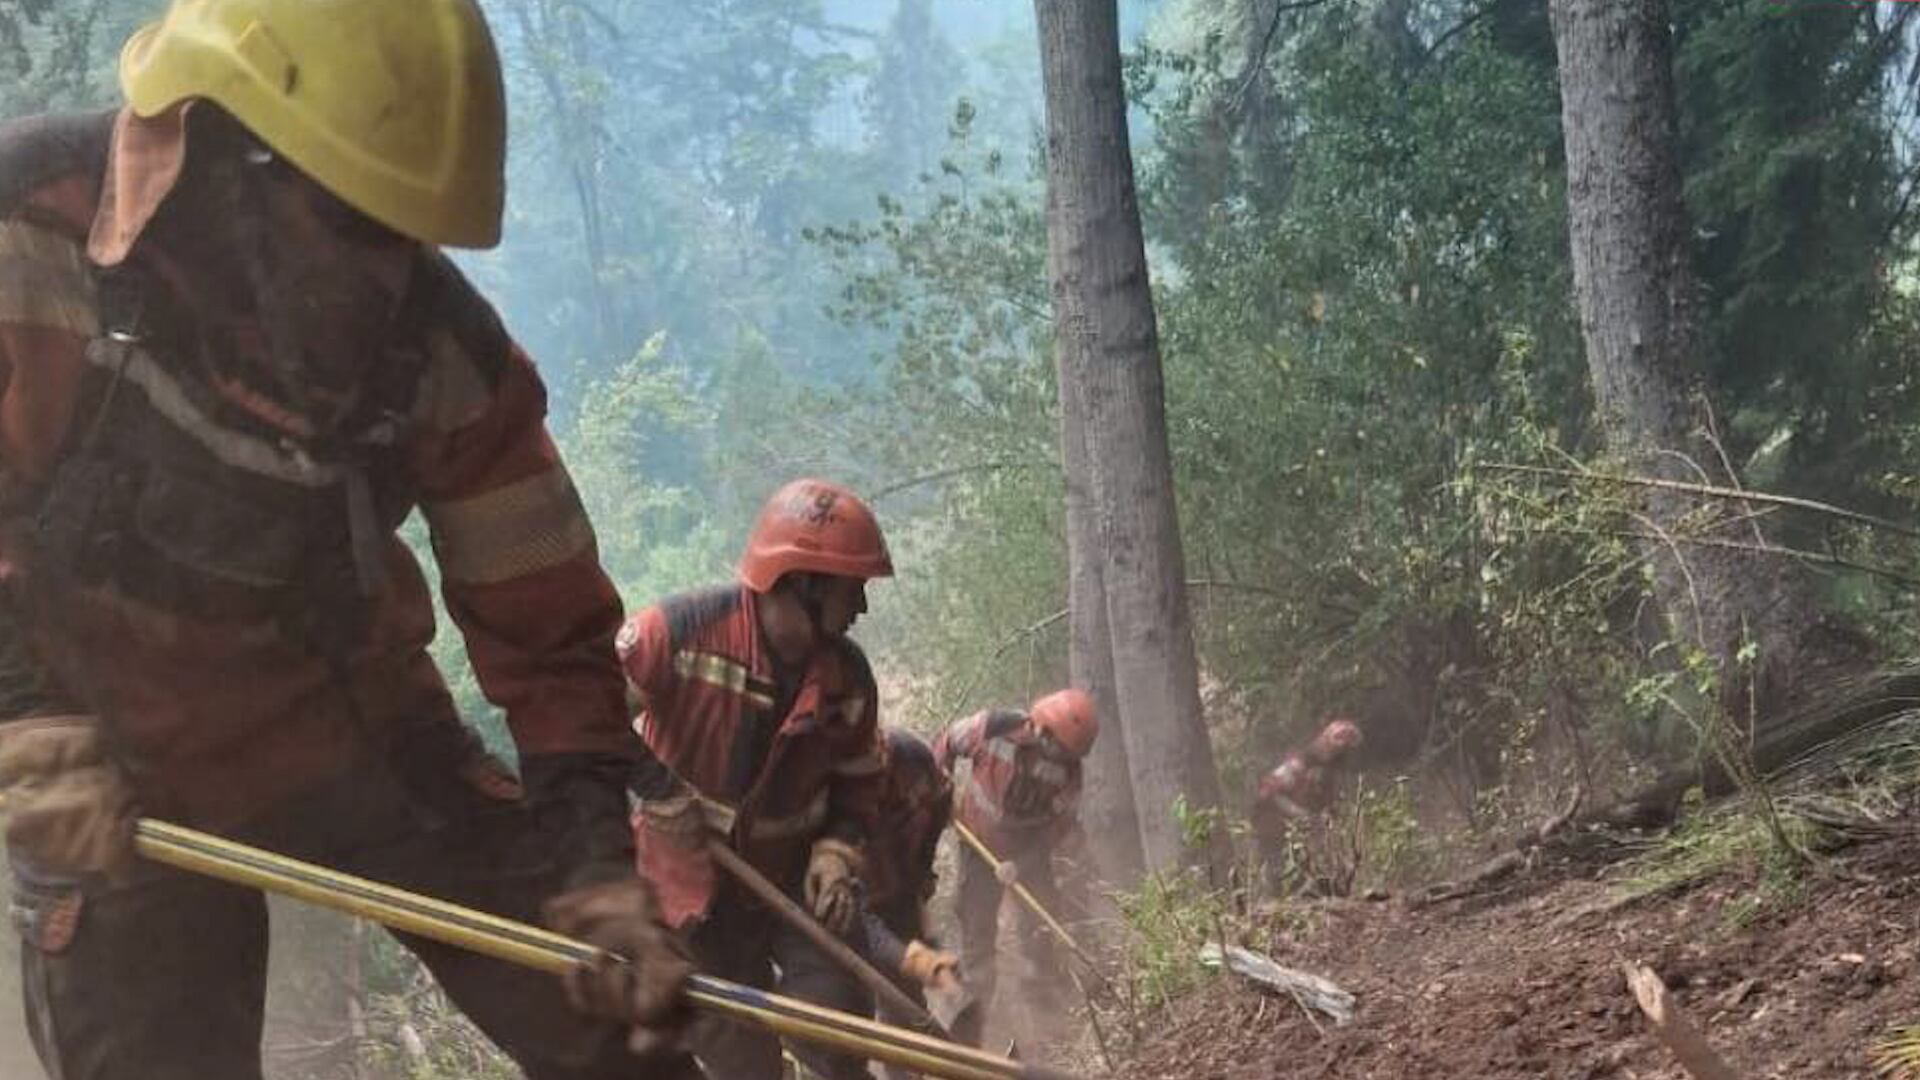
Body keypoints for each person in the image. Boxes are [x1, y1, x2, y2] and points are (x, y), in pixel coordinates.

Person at [0, 1, 701, 1076]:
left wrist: (595, 863)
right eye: (354, 224)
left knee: (614, 1019)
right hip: (103, 767)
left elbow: (551, 631)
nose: (387, 278)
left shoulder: (446, 355)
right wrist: (21, 712)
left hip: (353, 731)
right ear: (229, 148)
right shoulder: (27, 234)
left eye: (405, 234)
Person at [616, 478, 892, 1080]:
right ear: (804, 581)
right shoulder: (679, 631)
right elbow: (589, 711)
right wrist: (657, 789)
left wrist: (836, 851)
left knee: (838, 1026)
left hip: (794, 882)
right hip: (690, 897)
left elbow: (860, 787)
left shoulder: (849, 679)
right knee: (741, 1060)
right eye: (853, 589)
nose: (862, 609)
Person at [933, 689, 1097, 1027]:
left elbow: (1057, 829)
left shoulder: (1070, 773)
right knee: (977, 928)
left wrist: (1021, 864)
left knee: (1039, 928)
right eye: (1060, 750)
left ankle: (1048, 1014)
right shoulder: (992, 727)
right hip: (977, 842)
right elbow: (946, 743)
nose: (1063, 759)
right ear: (1043, 729)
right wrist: (940, 790)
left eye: (1070, 755)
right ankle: (976, 1014)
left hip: (1028, 852)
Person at [860, 727, 959, 1055]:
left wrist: (922, 871)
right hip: (861, 905)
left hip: (900, 886)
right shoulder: (843, 804)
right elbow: (863, 926)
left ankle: (927, 1054)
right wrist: (921, 962)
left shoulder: (912, 757)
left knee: (908, 998)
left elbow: (939, 802)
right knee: (885, 993)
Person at [1251, 718, 1365, 893]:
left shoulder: (1329, 771)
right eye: (1340, 747)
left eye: (1347, 749)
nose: (1343, 753)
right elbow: (1269, 791)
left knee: (1307, 875)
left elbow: (1326, 804)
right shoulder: (1300, 763)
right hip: (1273, 826)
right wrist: (1301, 814)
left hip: (1298, 833)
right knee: (1281, 874)